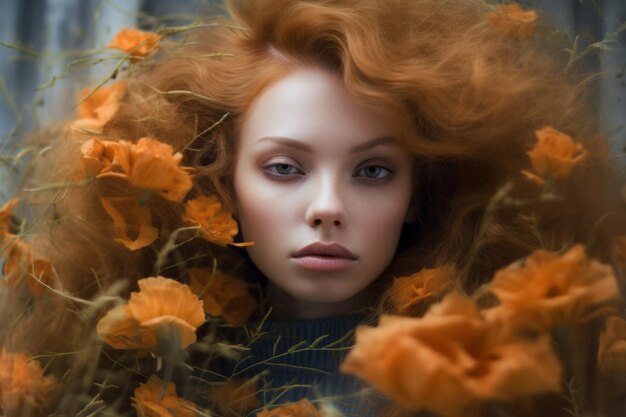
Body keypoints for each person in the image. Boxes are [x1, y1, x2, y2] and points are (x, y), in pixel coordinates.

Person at [0, 0, 625, 416]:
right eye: (284, 168)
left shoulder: (499, 383)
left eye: (374, 170)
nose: (327, 208)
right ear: (221, 181)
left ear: (418, 195)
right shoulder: (142, 379)